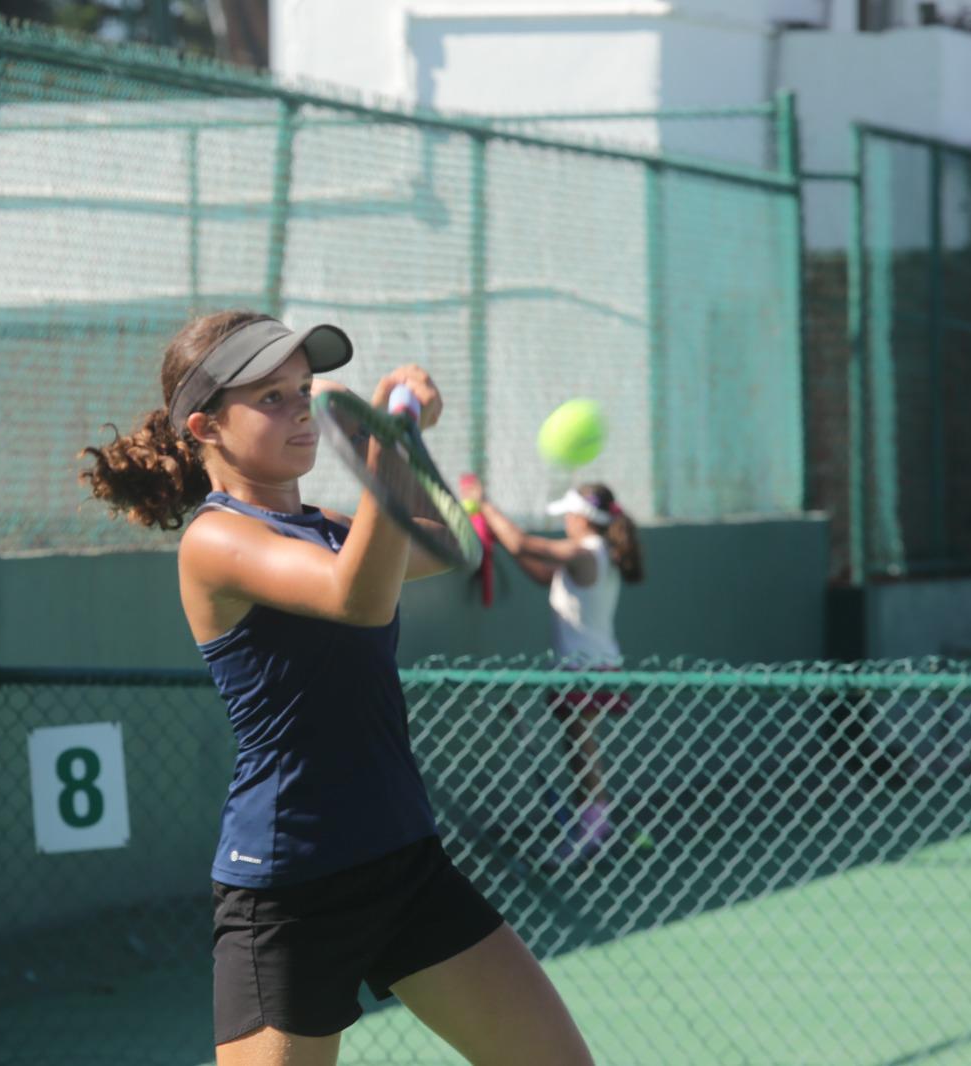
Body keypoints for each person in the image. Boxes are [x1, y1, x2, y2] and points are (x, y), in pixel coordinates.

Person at [80, 310, 593, 1066]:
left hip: (405, 861)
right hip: (290, 892)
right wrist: (387, 450)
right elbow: (358, 597)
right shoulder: (214, 541)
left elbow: (446, 539)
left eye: (303, 390)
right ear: (205, 426)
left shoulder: (326, 521)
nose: (300, 412)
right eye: (271, 398)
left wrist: (406, 438)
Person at [467, 482, 643, 863]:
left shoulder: (585, 551)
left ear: (582, 518)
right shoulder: (593, 555)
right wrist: (498, 533)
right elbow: (542, 573)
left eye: (569, 513)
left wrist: (485, 504)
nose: (565, 519)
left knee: (582, 751)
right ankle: (594, 824)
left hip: (585, 670)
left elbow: (524, 544)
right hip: (586, 667)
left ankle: (593, 830)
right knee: (580, 750)